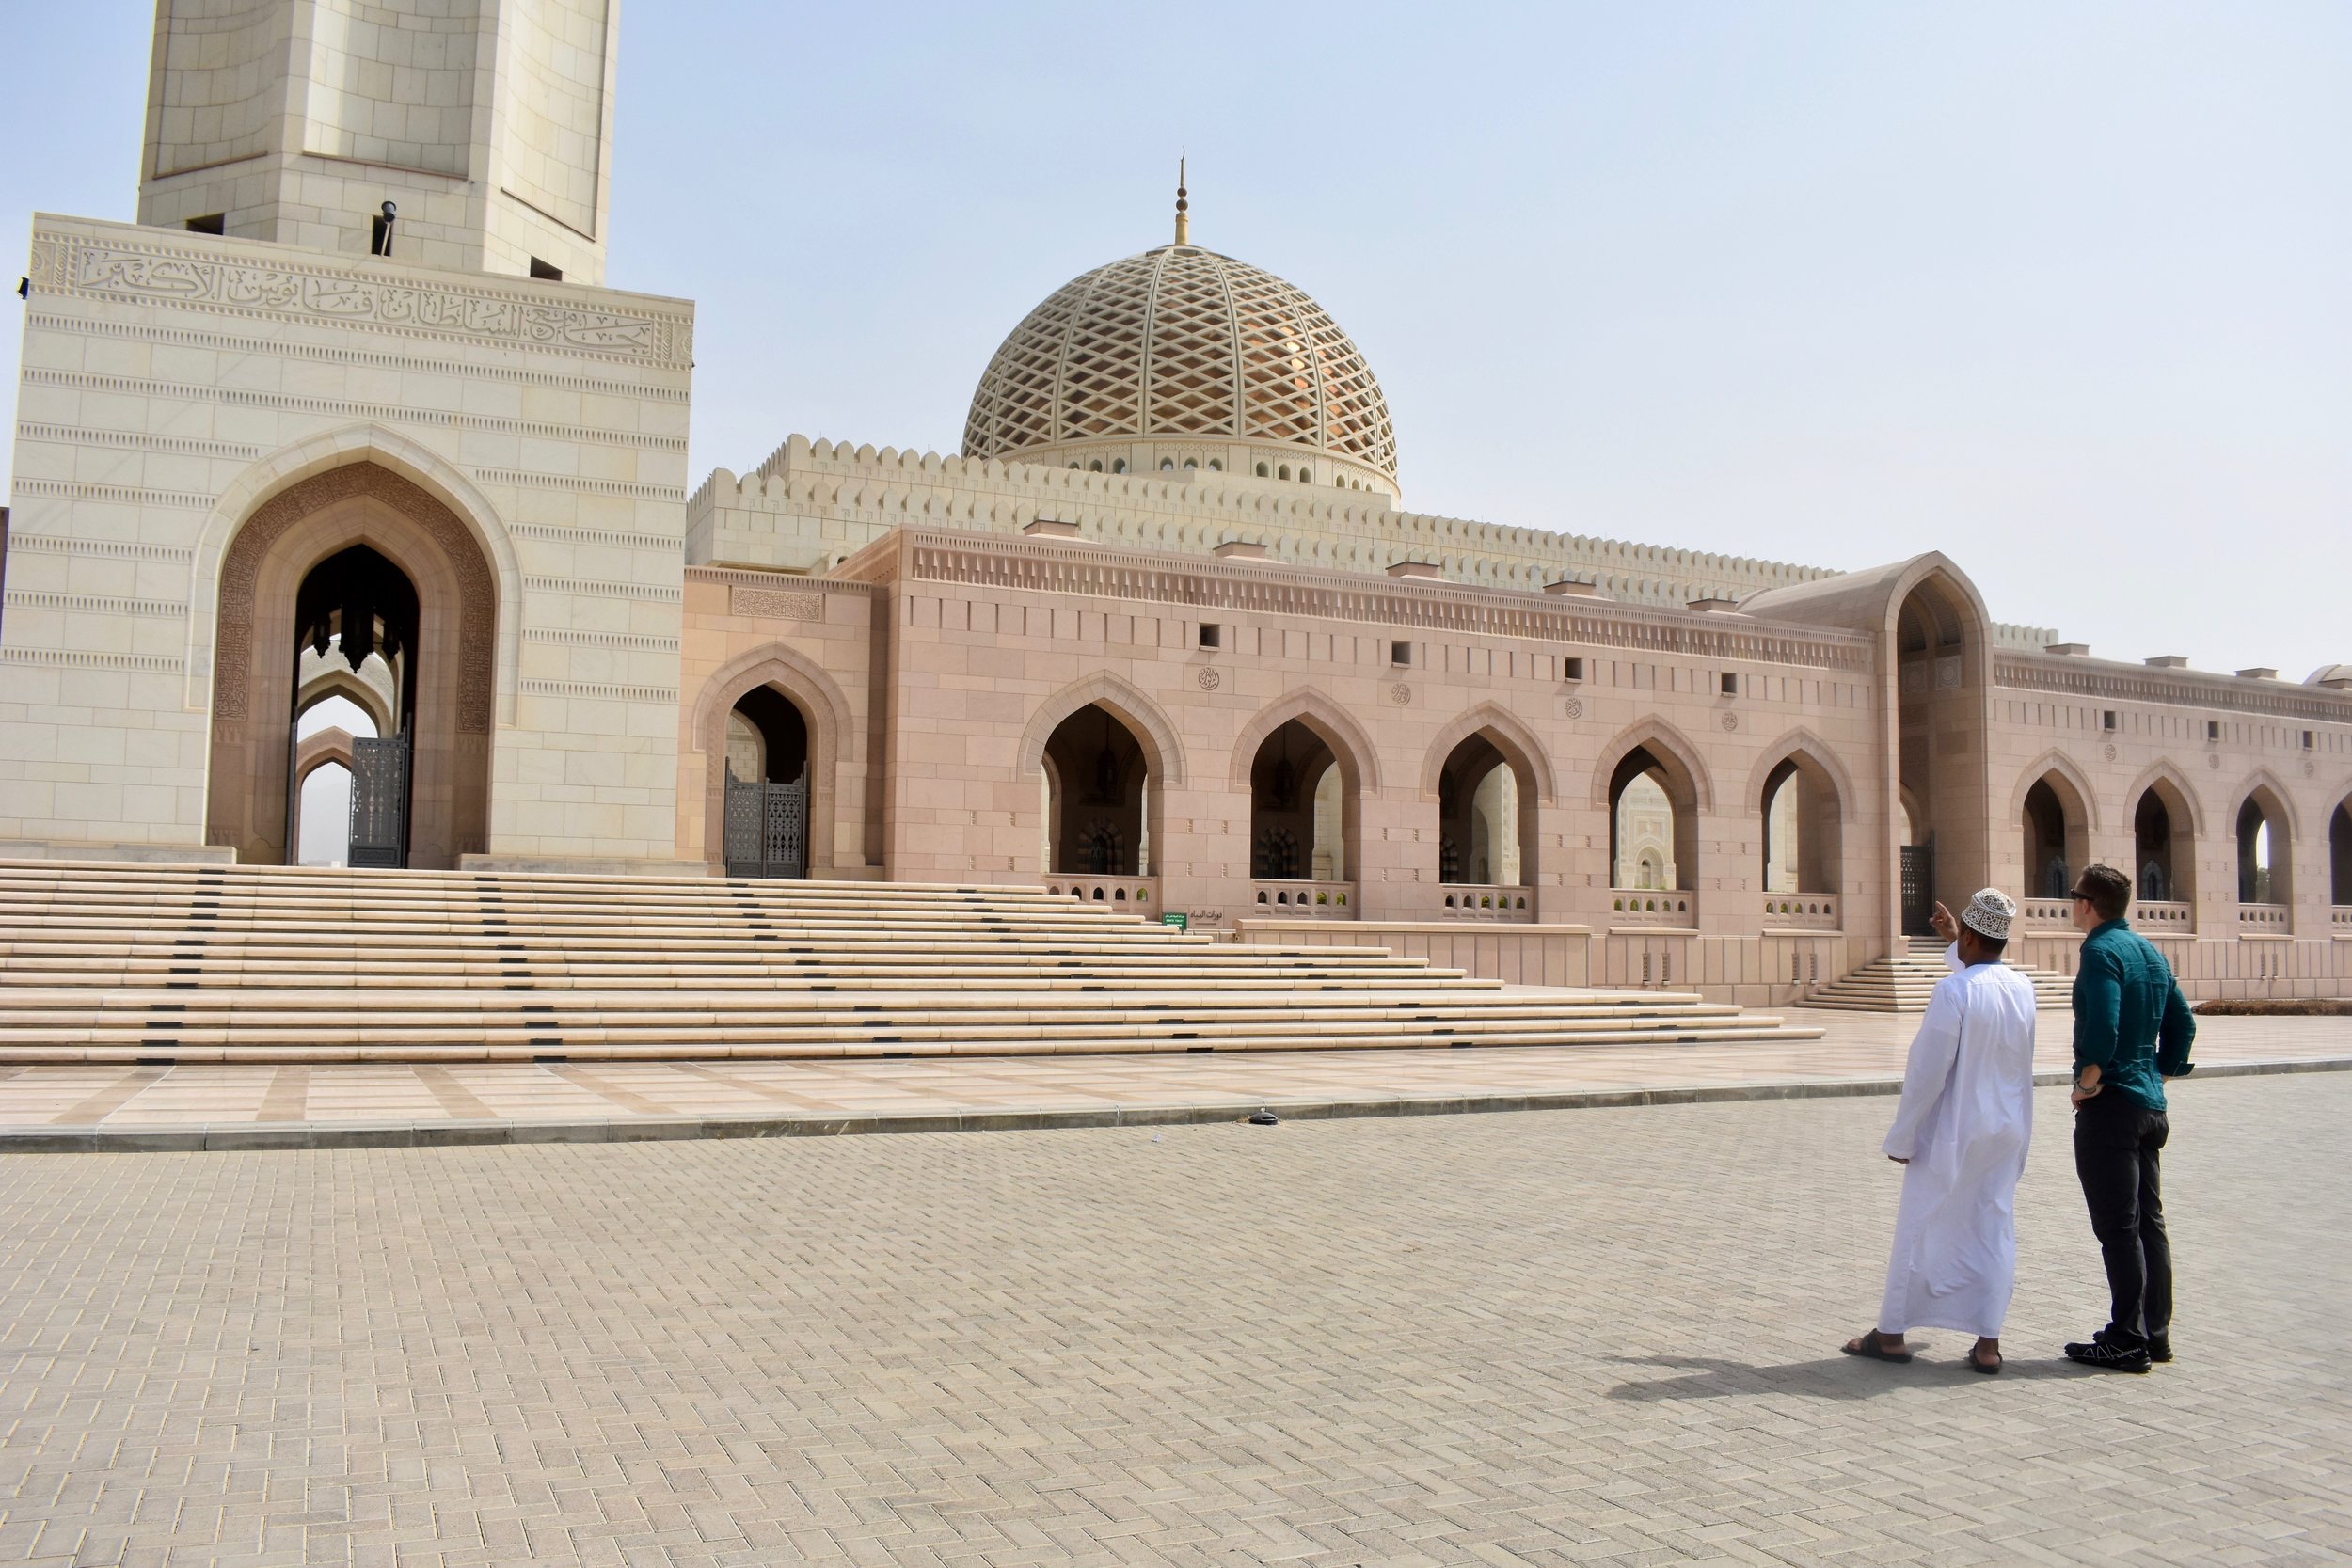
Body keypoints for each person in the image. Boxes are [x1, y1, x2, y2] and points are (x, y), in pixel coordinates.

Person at [1843, 889, 2037, 1374]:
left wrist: (1904, 1135)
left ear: (1971, 936)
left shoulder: (1953, 992)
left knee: (1919, 1225)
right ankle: (1988, 1344)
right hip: (2006, 1129)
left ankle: (1890, 1335)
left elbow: (1926, 1072)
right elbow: (1980, 979)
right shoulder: (2022, 988)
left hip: (1954, 1130)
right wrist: (1958, 942)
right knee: (1992, 1227)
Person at [2062, 863, 2196, 1373]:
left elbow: (2104, 1024)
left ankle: (2125, 1339)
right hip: (2148, 1105)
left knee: (2119, 1228)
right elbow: (2182, 1024)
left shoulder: (2099, 951)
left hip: (2112, 1105)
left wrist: (2087, 1083)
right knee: (2150, 1224)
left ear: (2087, 904)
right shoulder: (2148, 951)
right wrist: (2157, 1073)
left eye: (2075, 896)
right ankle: (2154, 1334)